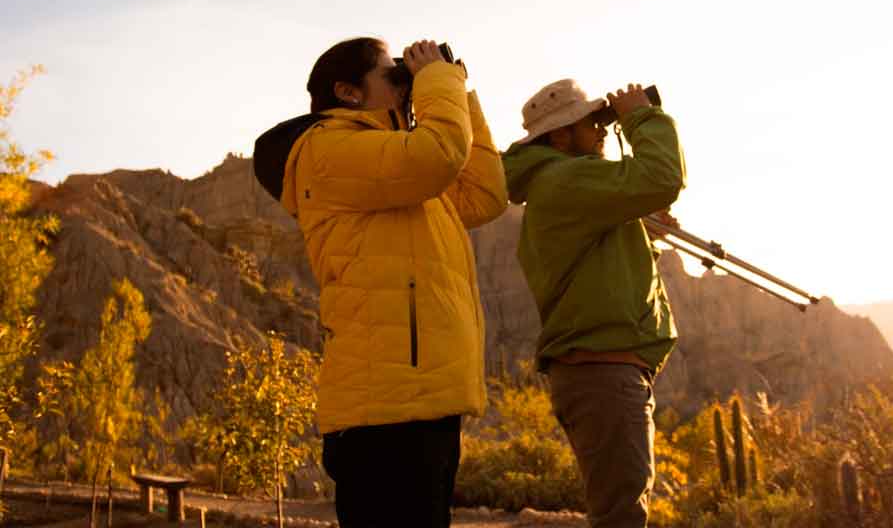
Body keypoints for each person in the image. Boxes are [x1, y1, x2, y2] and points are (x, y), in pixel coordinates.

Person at [270, 37, 507, 527]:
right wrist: (438, 81)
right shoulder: (328, 148)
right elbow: (438, 155)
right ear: (348, 91)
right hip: (383, 415)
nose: (404, 83)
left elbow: (485, 195)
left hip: (424, 403)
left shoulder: (401, 171)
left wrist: (455, 90)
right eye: (390, 74)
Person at [501, 79, 686, 527]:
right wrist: (641, 115)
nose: (603, 130)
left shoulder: (562, 184)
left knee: (619, 508)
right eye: (591, 123)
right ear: (560, 136)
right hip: (604, 372)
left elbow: (599, 268)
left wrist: (643, 235)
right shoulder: (566, 178)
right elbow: (663, 177)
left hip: (602, 371)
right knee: (621, 516)